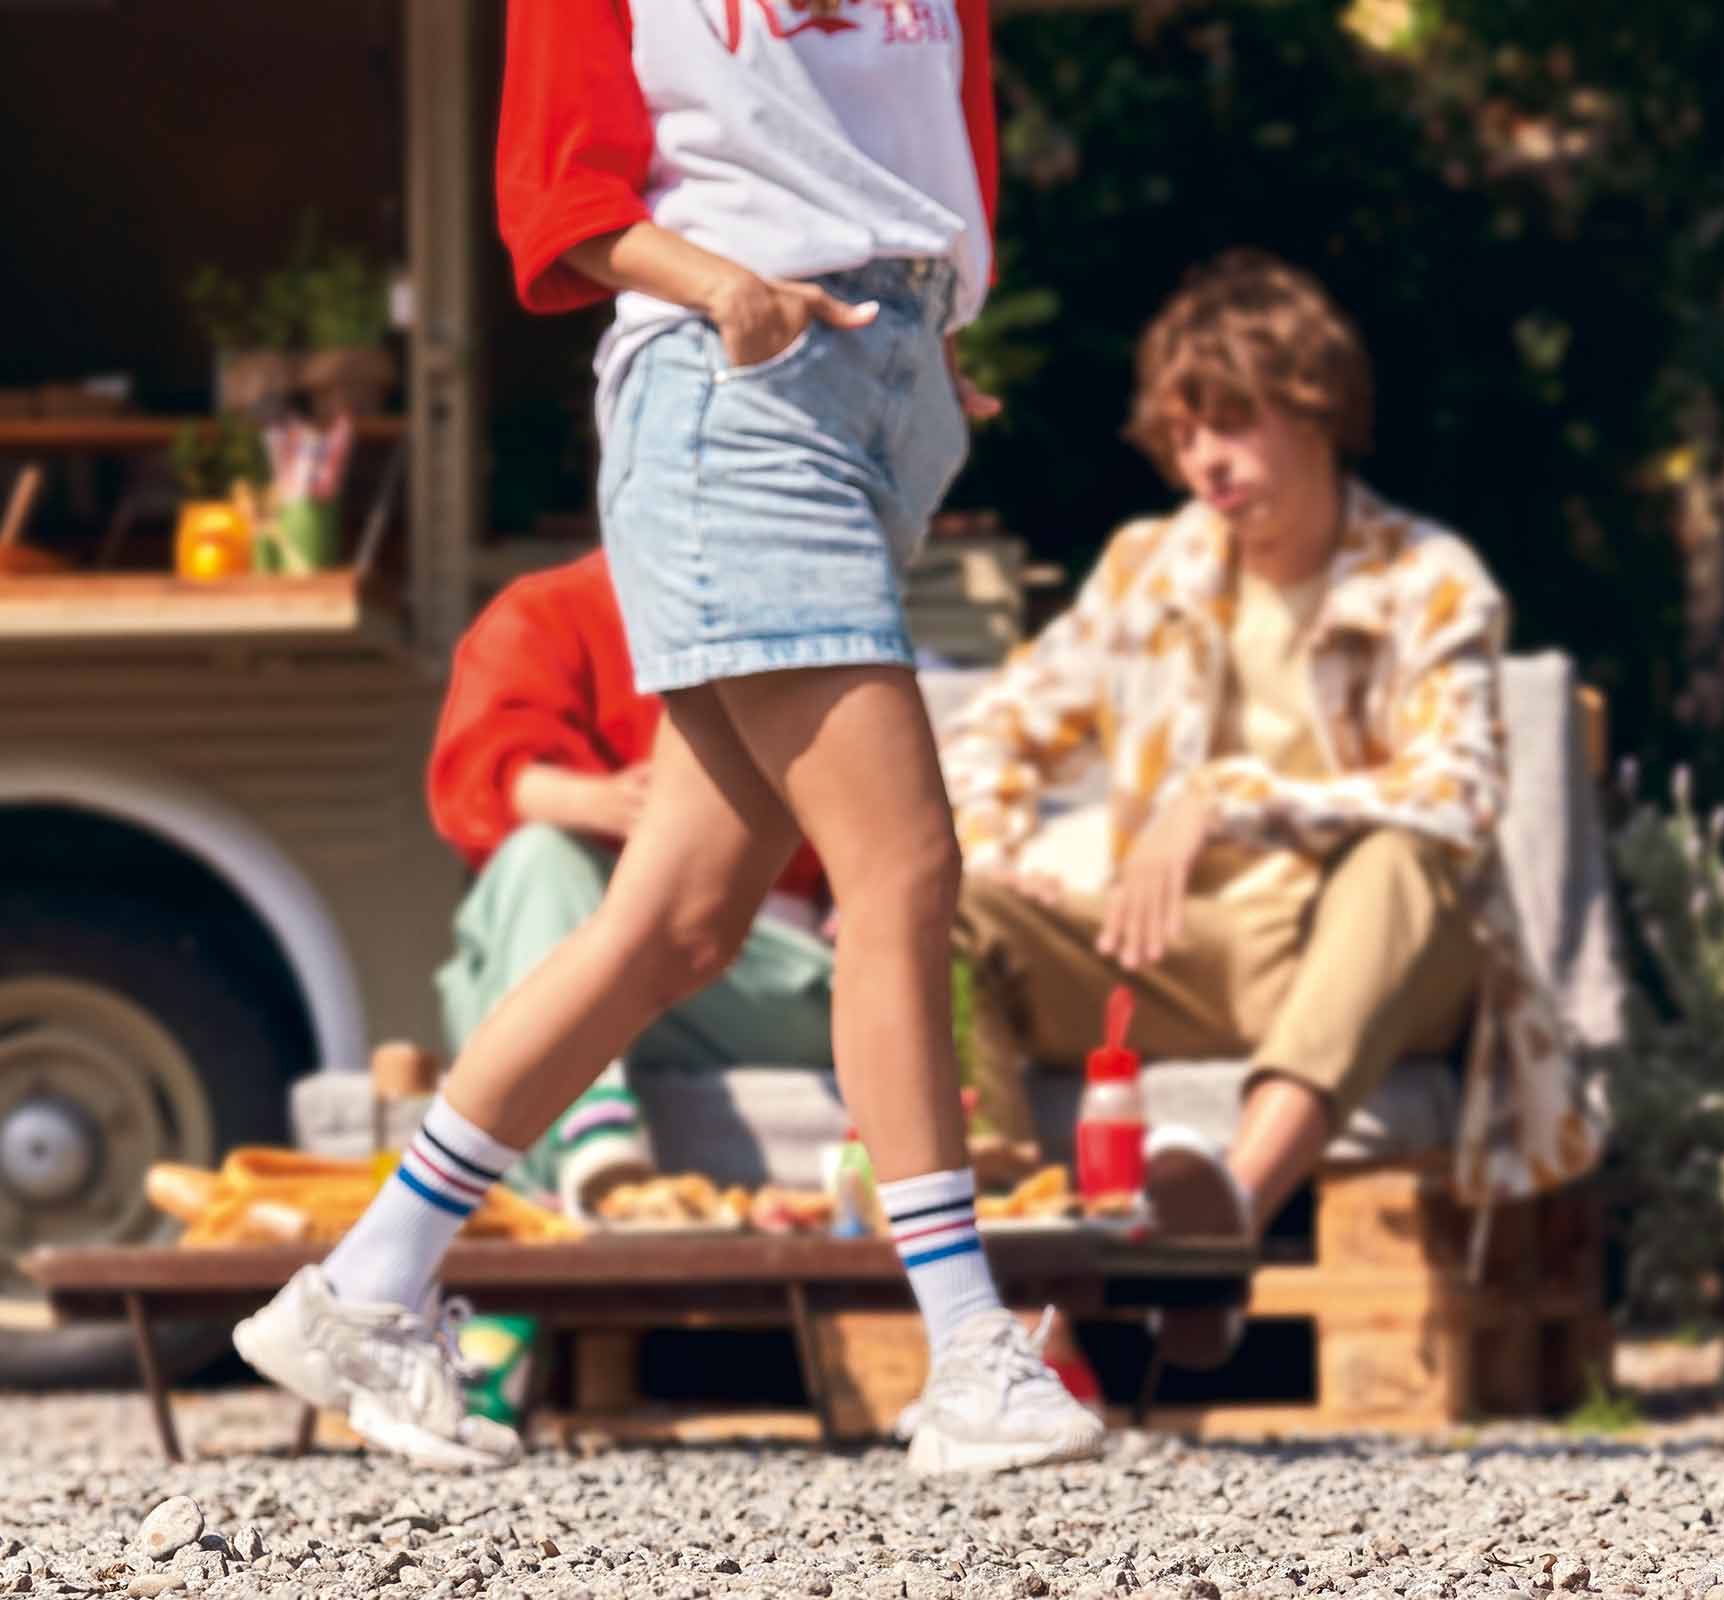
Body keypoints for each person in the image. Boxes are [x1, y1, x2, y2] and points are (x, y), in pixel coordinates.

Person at [230, 0, 1104, 1475]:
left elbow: (915, 128)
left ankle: (365, 1287)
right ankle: (966, 1352)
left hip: (878, 384)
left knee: (682, 920)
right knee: (903, 873)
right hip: (736, 392)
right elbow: (555, 189)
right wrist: (727, 291)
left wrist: (924, 326)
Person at [941, 251, 1570, 1365]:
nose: (1206, 462)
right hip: (1171, 951)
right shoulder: (1149, 567)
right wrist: (1004, 849)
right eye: (1183, 438)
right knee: (948, 909)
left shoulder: (1429, 576)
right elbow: (993, 730)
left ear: (1314, 407)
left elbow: (1461, 794)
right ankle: (1000, 1296)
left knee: (1400, 862)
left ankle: (1227, 1207)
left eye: (1232, 424)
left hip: (1367, 957)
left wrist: (1228, 801)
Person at [425, 551, 842, 1217]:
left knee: (503, 1000)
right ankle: (591, 1144)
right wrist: (617, 806)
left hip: (755, 972)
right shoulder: (546, 609)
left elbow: (894, 826)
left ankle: (523, 1273)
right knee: (540, 864)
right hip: (593, 935)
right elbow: (487, 778)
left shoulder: (812, 617)